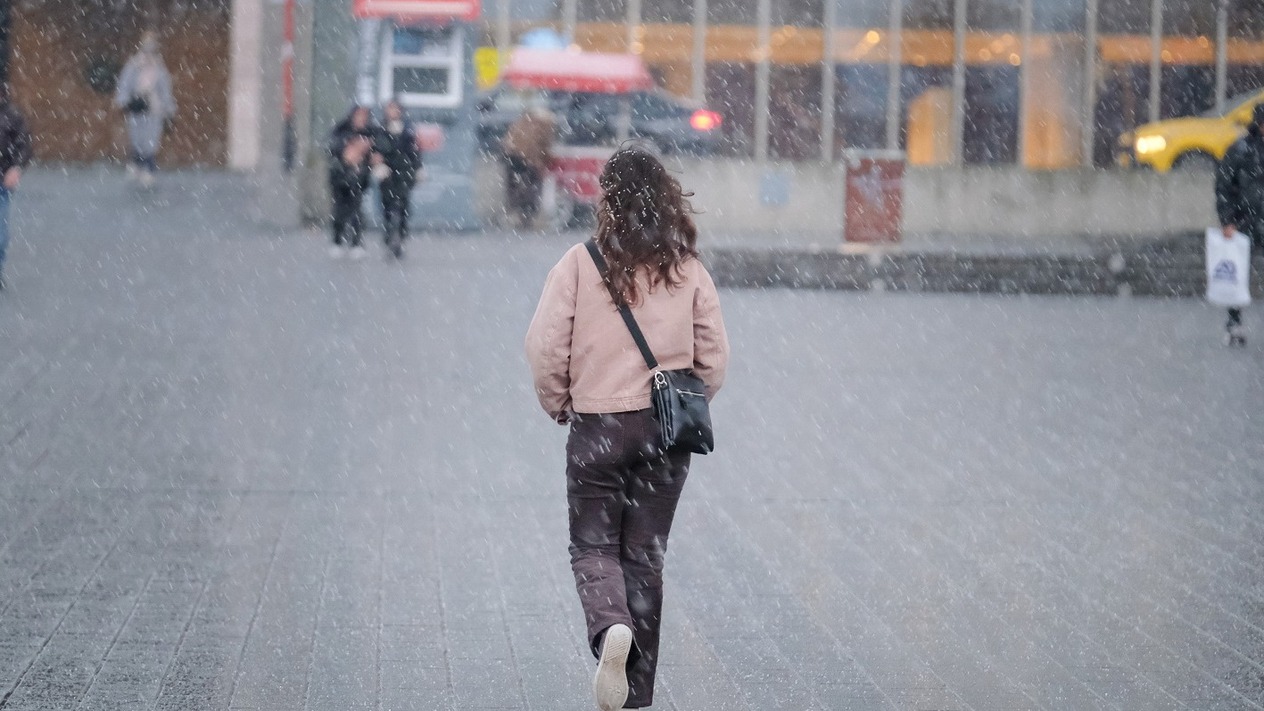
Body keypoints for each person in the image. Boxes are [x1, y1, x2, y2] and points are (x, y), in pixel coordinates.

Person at [524, 148, 729, 711]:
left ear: (606, 199)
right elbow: (714, 355)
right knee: (645, 558)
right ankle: (636, 695)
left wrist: (560, 400)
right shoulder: (686, 266)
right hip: (665, 436)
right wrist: (684, 400)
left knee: (592, 546)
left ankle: (609, 626)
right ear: (666, 199)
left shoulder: (580, 263)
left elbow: (545, 346)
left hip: (598, 427)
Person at [1214, 102, 1264, 346]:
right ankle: (1234, 324)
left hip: (1250, 217)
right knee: (1237, 274)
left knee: (1239, 273)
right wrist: (1228, 220)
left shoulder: (1241, 149)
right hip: (1246, 220)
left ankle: (1234, 324)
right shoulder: (1240, 150)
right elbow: (1224, 186)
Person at [114, 31, 176, 188]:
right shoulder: (134, 65)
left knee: (151, 140)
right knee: (137, 137)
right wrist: (124, 102)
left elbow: (165, 91)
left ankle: (149, 166)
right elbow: (125, 84)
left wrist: (169, 111)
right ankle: (137, 163)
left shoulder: (159, 68)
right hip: (136, 107)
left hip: (154, 109)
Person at [372, 99, 423, 259]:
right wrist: (378, 164)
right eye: (389, 109)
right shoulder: (381, 129)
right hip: (387, 172)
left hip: (404, 172)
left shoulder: (408, 129)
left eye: (395, 109)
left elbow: (414, 151)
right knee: (387, 206)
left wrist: (418, 167)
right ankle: (389, 238)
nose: (392, 112)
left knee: (402, 206)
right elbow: (376, 150)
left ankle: (400, 238)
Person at [328, 106, 376, 260]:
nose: (361, 120)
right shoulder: (341, 131)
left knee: (356, 210)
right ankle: (337, 240)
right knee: (340, 210)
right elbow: (334, 149)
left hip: (359, 178)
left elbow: (377, 150)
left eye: (364, 116)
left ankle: (356, 242)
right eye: (358, 116)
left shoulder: (370, 133)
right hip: (340, 177)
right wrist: (349, 150)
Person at [0, 83, 32, 292]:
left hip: (2, 182)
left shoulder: (11, 116)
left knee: (1, 233)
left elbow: (24, 145)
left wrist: (16, 168)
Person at [501, 107, 555, 229]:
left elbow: (509, 142)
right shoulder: (544, 126)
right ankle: (526, 215)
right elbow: (542, 147)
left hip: (512, 158)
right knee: (531, 188)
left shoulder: (522, 122)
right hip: (528, 160)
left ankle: (514, 212)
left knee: (514, 187)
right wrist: (544, 160)